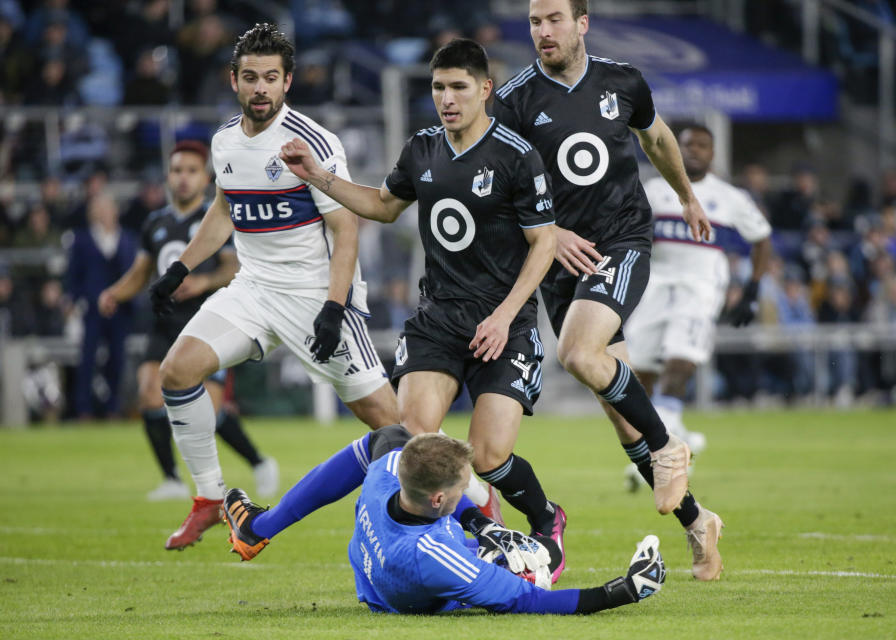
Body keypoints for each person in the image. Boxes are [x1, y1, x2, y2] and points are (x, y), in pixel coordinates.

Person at [276, 39, 568, 580]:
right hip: (439, 319)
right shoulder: (423, 148)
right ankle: (469, 534)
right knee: (413, 437)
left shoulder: (517, 155)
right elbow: (384, 207)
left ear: (485, 89)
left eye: (459, 87)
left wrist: (504, 316)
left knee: (486, 456)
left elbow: (544, 244)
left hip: (505, 322)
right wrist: (317, 175)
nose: (447, 98)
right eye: (438, 87)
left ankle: (547, 516)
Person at [490, 0, 723, 580]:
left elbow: (659, 139)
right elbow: (501, 195)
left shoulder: (623, 82)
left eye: (554, 20)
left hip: (622, 239)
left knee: (577, 354)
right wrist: (550, 233)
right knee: (620, 417)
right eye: (534, 22)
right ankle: (699, 524)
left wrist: (689, 196)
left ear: (582, 23)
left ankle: (669, 444)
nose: (544, 31)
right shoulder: (515, 101)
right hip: (560, 261)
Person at [148, 24, 400, 551]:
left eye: (270, 78)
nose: (260, 88)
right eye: (250, 77)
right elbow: (225, 209)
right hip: (254, 289)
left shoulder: (312, 143)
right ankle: (211, 499)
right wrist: (182, 269)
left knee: (395, 427)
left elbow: (345, 228)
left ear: (287, 82)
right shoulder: (223, 141)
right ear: (233, 80)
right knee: (175, 372)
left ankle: (474, 502)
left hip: (316, 296)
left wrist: (334, 307)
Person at [224, 427, 666, 614]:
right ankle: (550, 535)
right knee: (533, 566)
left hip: (376, 556)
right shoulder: (435, 556)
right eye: (463, 487)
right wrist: (623, 591)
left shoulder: (384, 479)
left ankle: (258, 529)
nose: (468, 492)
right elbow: (525, 605)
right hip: (407, 586)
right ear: (439, 497)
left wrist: (481, 523)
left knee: (390, 433)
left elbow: (390, 440)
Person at [98, 140, 278, 502]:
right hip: (163, 322)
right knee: (149, 394)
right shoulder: (156, 222)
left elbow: (232, 268)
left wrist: (202, 281)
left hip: (208, 321)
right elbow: (141, 272)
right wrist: (115, 293)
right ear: (168, 175)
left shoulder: (216, 217)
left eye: (191, 171)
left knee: (207, 413)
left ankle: (259, 461)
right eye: (177, 170)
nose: (183, 178)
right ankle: (171, 479)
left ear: (206, 178)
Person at [625, 125, 773, 453]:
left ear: (713, 153)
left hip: (701, 289)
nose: (694, 150)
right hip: (655, 287)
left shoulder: (730, 198)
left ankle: (662, 449)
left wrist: (752, 289)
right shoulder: (653, 189)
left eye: (702, 145)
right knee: (639, 370)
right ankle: (678, 438)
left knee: (681, 360)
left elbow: (762, 238)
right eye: (687, 144)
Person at [64, 192, 138, 418]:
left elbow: (135, 273)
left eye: (109, 208)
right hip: (92, 308)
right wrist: (72, 298)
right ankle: (83, 408)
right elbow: (73, 274)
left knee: (117, 358)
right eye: (100, 209)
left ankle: (113, 407)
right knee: (87, 358)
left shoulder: (127, 238)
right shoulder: (82, 239)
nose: (105, 213)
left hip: (120, 307)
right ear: (93, 213)